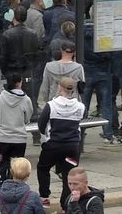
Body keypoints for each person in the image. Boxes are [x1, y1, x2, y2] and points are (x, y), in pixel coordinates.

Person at [36, 75, 84, 208]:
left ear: (60, 88)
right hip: (72, 147)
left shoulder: (51, 106)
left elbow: (41, 125)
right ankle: (66, 204)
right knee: (68, 174)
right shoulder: (80, 106)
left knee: (43, 168)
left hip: (53, 146)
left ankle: (44, 197)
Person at [0, 72, 34, 187]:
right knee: (17, 168)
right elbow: (27, 118)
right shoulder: (26, 100)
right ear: (19, 82)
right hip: (19, 140)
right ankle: (14, 188)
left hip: (1, 140)